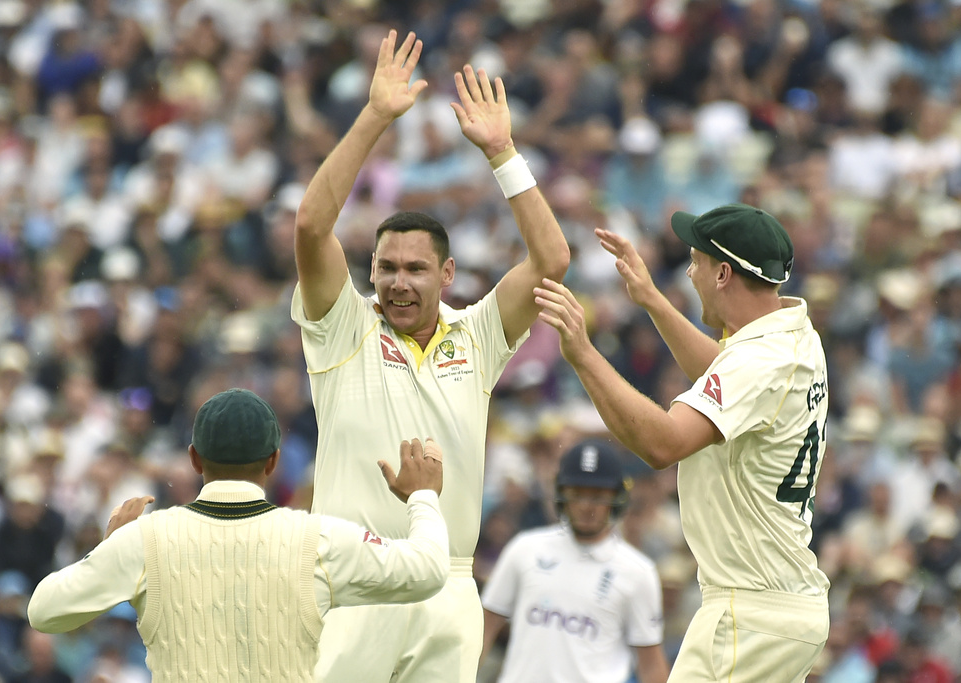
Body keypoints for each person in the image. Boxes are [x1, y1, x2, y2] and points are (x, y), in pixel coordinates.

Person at [292, 29, 569, 683]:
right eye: (386, 267)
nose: (397, 282)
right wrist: (376, 117)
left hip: (448, 583)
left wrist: (503, 152)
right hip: (354, 576)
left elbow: (553, 260)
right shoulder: (343, 325)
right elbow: (309, 226)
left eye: (415, 268)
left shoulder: (476, 336)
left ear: (446, 274)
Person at [534, 203, 830, 682]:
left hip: (748, 610)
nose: (690, 273)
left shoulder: (758, 361)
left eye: (696, 261)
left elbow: (663, 445)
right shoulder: (794, 336)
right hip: (787, 608)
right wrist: (651, 298)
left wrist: (583, 355)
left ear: (723, 273)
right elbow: (725, 373)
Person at [26, 387, 451, 681]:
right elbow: (429, 569)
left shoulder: (144, 540)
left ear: (194, 459)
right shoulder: (316, 538)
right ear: (273, 462)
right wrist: (423, 498)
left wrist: (110, 548)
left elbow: (43, 611)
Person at [480, 438, 669, 683]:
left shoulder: (638, 572)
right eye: (577, 493)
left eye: (598, 495)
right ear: (561, 493)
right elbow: (483, 631)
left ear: (617, 497)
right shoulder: (524, 549)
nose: (586, 506)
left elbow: (652, 667)